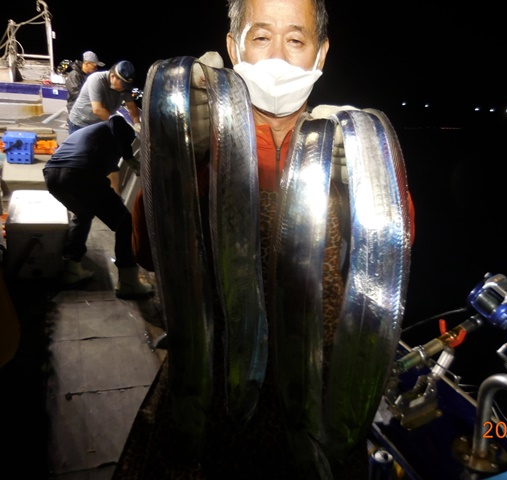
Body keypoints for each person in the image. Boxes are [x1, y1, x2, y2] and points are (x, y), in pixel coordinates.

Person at [125, 0, 414, 477]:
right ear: (233, 46)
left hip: (322, 381)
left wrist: (370, 174)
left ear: (320, 54)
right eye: (261, 37)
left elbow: (393, 258)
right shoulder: (200, 138)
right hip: (213, 375)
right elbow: (148, 253)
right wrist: (181, 155)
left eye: (296, 39)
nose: (278, 54)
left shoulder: (349, 143)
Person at [43, 115, 153, 299]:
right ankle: (128, 282)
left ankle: (72, 269)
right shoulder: (118, 127)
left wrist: (114, 200)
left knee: (83, 213)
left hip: (52, 175)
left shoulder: (95, 139)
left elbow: (107, 177)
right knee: (125, 223)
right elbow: (116, 120)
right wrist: (130, 158)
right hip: (79, 172)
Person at [68, 60, 141, 135]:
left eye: (127, 85)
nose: (124, 88)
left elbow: (131, 107)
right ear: (112, 76)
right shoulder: (97, 79)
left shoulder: (125, 87)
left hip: (99, 124)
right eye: (123, 84)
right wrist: (119, 126)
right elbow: (97, 110)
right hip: (80, 123)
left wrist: (137, 123)